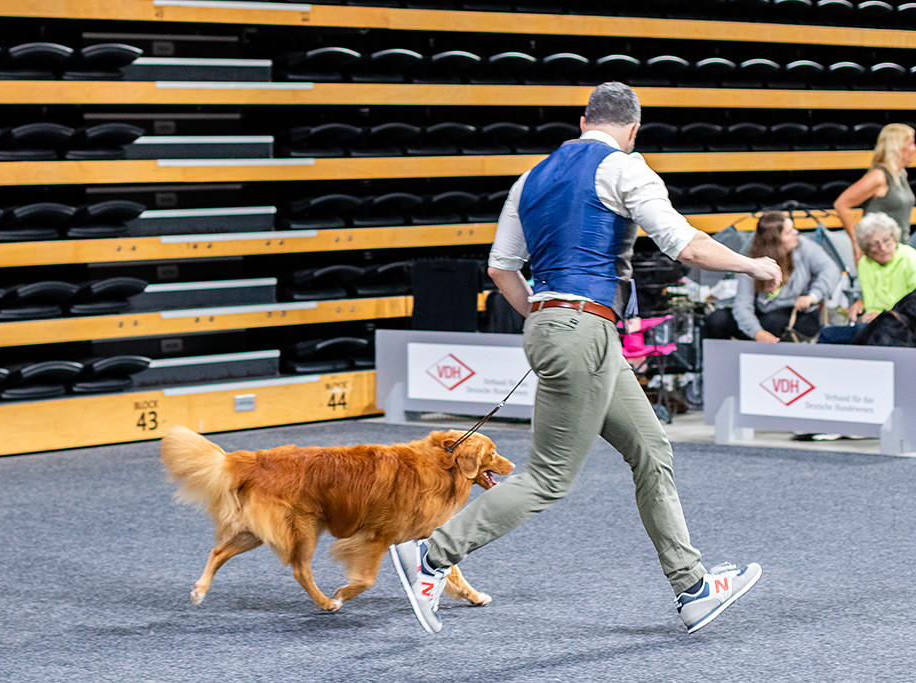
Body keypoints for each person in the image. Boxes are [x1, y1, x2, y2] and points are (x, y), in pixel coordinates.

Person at [389, 82, 782, 636]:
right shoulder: (626, 168)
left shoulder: (530, 178)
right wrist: (755, 266)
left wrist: (549, 322)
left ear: (582, 121)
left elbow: (502, 270)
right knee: (549, 479)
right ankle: (431, 555)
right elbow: (685, 246)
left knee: (651, 448)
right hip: (586, 330)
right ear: (634, 129)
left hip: (558, 322)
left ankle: (692, 589)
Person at [703, 210, 839, 343]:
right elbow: (743, 305)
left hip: (797, 312)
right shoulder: (752, 260)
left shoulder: (803, 246)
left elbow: (831, 270)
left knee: (772, 322)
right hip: (763, 311)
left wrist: (813, 296)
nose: (796, 233)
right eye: (789, 232)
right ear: (775, 241)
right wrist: (757, 333)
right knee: (717, 319)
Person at [818, 211, 916, 343]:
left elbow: (911, 306)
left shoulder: (910, 258)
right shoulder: (865, 263)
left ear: (894, 237)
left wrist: (883, 316)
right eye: (875, 244)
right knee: (827, 334)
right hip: (873, 323)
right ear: (867, 247)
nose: (883, 248)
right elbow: (873, 296)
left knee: (860, 335)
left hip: (901, 325)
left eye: (886, 240)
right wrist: (861, 303)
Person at [833, 123, 916, 263]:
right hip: (882, 251)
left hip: (902, 247)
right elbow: (841, 204)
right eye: (912, 143)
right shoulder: (879, 176)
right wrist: (856, 242)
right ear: (898, 147)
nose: (914, 148)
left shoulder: (901, 174)